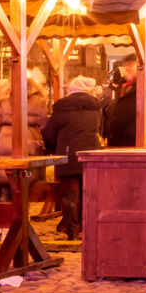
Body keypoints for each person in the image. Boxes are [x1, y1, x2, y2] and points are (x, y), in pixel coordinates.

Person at [44, 76, 103, 240]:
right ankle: (87, 226)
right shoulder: (95, 108)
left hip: (68, 154)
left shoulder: (61, 108)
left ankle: (71, 229)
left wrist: (54, 148)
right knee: (88, 193)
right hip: (92, 155)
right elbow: (100, 130)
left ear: (70, 91)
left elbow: (49, 132)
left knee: (70, 193)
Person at [103, 54, 146, 147]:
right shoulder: (124, 86)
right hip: (120, 142)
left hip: (137, 142)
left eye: (130, 65)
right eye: (125, 66)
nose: (127, 68)